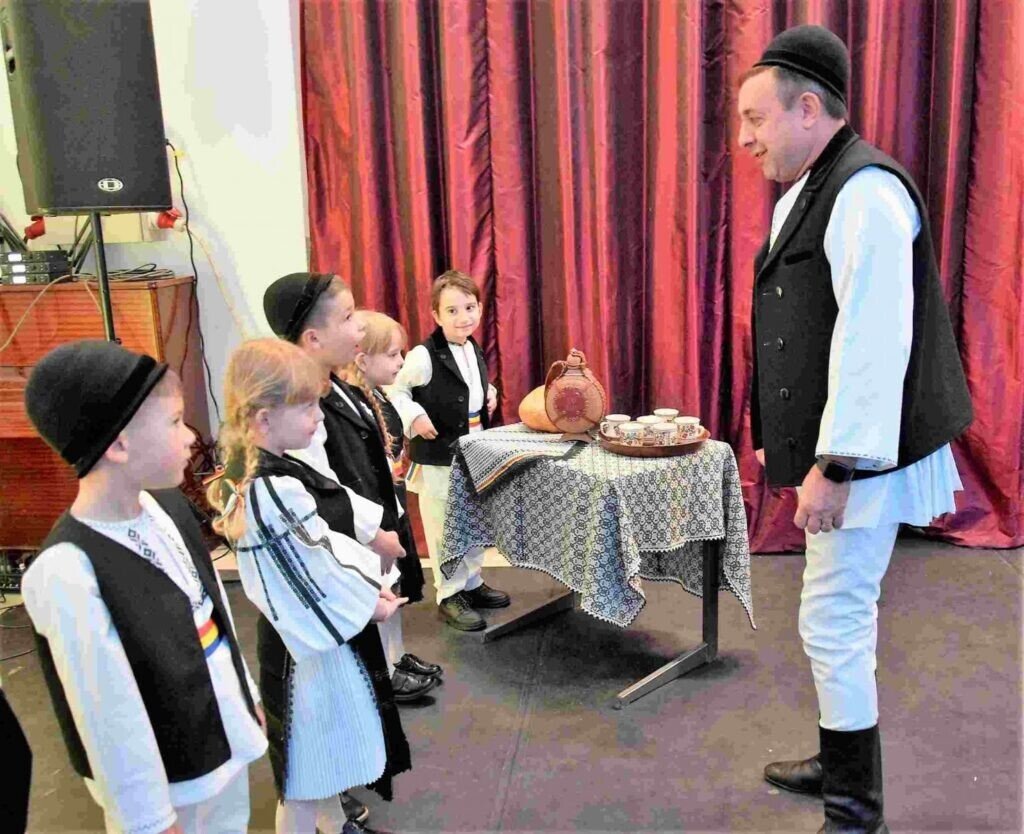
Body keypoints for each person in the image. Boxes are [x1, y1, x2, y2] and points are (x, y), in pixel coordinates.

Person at [737, 24, 973, 834]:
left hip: (866, 455)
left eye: (755, 118)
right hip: (847, 448)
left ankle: (854, 811)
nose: (745, 138)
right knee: (838, 610)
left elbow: (873, 341)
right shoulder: (813, 187)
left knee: (833, 614)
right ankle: (842, 763)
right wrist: (780, 433)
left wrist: (835, 465)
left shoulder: (866, 193)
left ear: (808, 109)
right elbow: (802, 325)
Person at [21, 340, 268, 834]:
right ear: (118, 445)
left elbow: (213, 609)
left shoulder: (168, 507)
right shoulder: (68, 570)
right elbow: (107, 715)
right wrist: (148, 820)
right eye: (174, 422)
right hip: (166, 780)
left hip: (219, 728)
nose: (191, 437)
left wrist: (247, 694)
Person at [208, 338, 407, 834]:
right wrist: (369, 602)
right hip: (304, 651)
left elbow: (320, 547)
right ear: (263, 418)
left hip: (308, 637)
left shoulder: (264, 472)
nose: (319, 417)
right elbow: (313, 566)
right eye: (307, 408)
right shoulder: (271, 488)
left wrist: (365, 591)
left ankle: (335, 824)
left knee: (324, 757)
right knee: (304, 770)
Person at [386, 270, 509, 631]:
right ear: (436, 315)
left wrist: (488, 393)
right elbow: (396, 390)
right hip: (440, 456)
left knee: (473, 519)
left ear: (480, 308)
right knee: (444, 525)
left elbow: (468, 386)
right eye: (452, 311)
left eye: (469, 307)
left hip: (473, 450)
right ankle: (449, 593)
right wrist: (415, 416)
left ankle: (471, 582)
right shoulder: (423, 356)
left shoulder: (472, 347)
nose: (463, 317)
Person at [344, 310, 445, 691]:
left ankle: (396, 656)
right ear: (362, 359)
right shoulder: (354, 403)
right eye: (391, 355)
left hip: (391, 505)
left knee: (396, 586)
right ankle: (384, 670)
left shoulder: (378, 397)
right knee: (381, 588)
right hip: (374, 514)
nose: (401, 362)